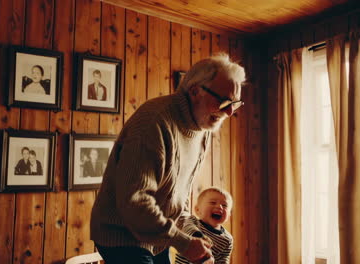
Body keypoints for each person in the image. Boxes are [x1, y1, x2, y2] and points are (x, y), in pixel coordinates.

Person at [90, 53, 245, 264]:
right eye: (225, 101)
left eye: (235, 103)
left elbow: (176, 200)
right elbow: (134, 202)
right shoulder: (153, 122)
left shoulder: (202, 127)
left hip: (155, 234)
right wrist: (182, 242)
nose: (229, 112)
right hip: (121, 234)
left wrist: (193, 238)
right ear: (194, 91)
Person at [175, 187, 234, 264]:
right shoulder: (192, 221)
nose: (220, 207)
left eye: (224, 205)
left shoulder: (227, 239)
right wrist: (200, 238)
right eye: (213, 202)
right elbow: (187, 229)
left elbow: (223, 260)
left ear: (229, 216)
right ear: (197, 210)